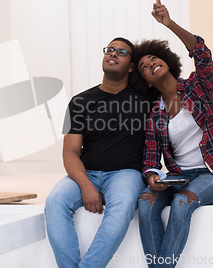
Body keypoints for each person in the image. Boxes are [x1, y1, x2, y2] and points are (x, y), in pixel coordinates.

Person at [130, 0, 213, 268]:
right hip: (180, 177)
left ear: (166, 60)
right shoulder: (155, 115)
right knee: (145, 203)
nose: (151, 63)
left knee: (181, 204)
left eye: (153, 58)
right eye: (143, 66)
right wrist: (153, 178)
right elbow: (151, 162)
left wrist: (170, 23)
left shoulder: (197, 87)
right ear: (146, 82)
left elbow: (203, 54)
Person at [45, 37, 153, 268]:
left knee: (123, 205)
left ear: (132, 66)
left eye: (121, 52)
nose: (113, 54)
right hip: (87, 172)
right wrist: (85, 185)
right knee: (54, 201)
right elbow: (70, 152)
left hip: (126, 174)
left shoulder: (145, 100)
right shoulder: (79, 102)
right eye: (110, 50)